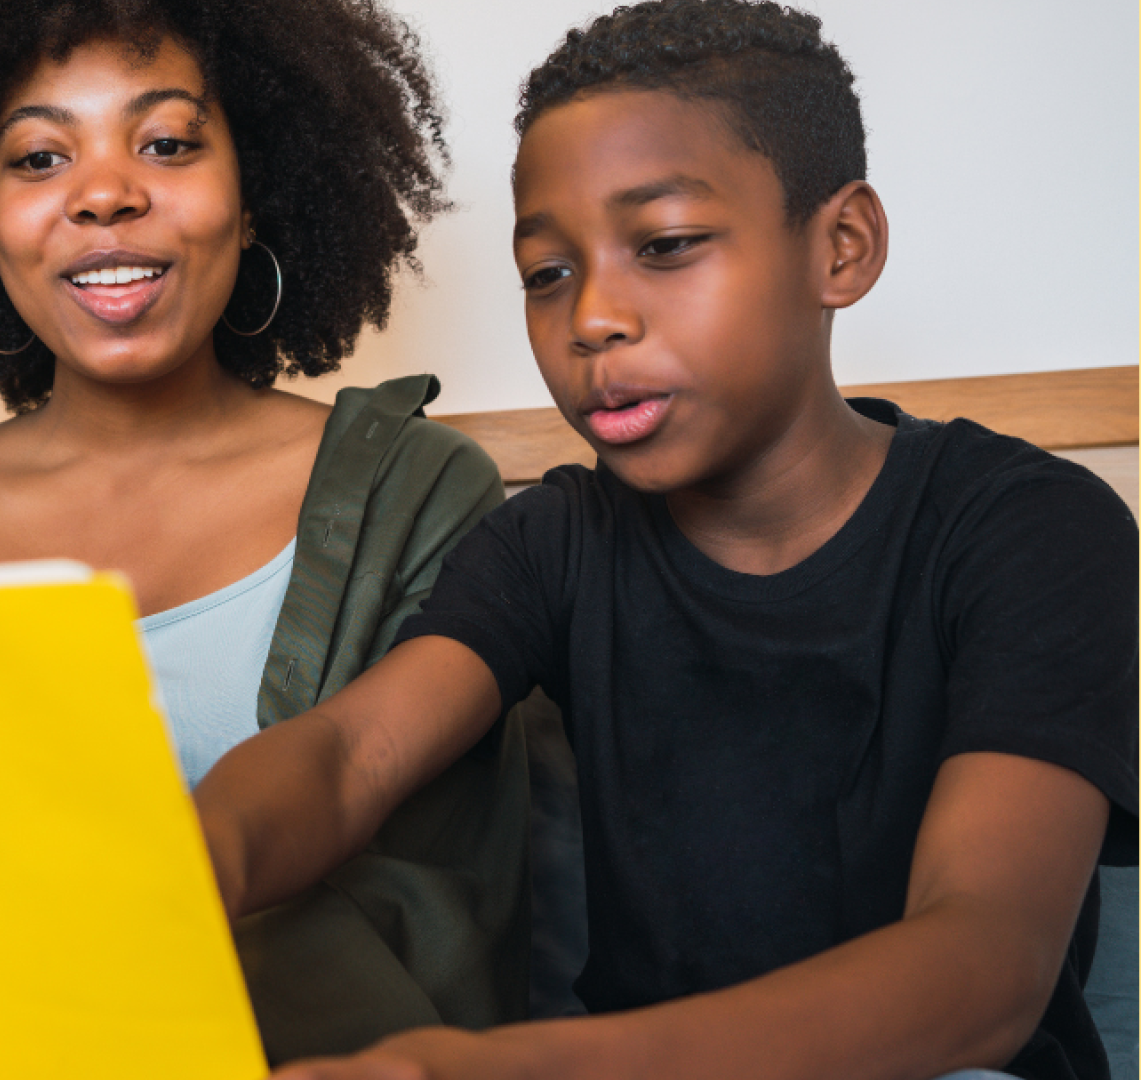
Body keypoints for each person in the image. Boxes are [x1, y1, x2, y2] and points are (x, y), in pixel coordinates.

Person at [190, 2, 1138, 1078]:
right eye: (548, 272)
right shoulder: (554, 542)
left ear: (842, 246)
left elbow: (985, 965)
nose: (591, 316)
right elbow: (352, 753)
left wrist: (487, 1069)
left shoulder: (1029, 529)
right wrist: (197, 859)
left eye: (667, 244)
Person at [0, 0, 530, 1059]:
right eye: (37, 158)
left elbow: (452, 924)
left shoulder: (419, 495)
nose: (107, 194)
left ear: (255, 189)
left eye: (167, 143)